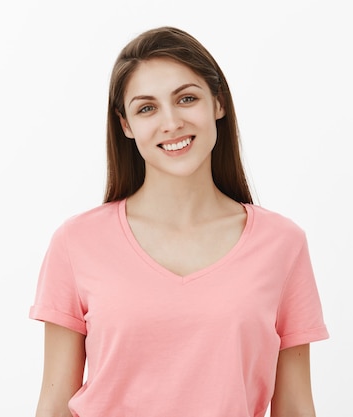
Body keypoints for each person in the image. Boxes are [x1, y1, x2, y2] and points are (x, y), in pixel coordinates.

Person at [29, 26, 328, 417]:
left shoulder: (282, 244)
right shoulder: (76, 242)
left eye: (186, 98)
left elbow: (294, 406)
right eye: (147, 108)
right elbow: (53, 405)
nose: (171, 122)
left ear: (217, 104)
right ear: (126, 125)